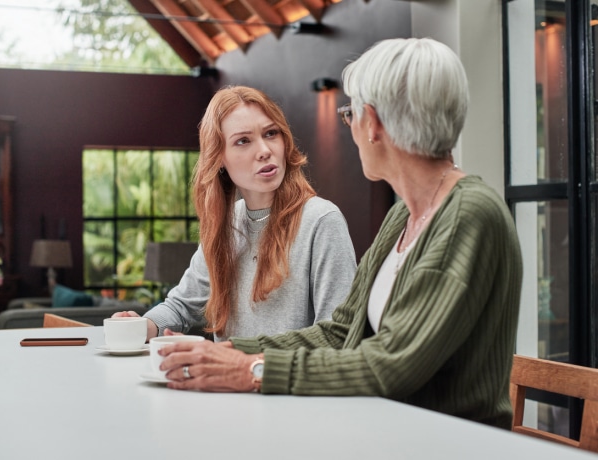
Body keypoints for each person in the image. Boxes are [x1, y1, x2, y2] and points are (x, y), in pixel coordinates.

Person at [156, 38, 523, 429]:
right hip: (389, 431)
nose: (349, 127)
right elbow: (341, 331)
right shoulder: (404, 216)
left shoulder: (468, 216)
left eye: (350, 115)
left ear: (374, 124)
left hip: (441, 443)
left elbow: (391, 364)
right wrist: (233, 353)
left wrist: (253, 370)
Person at [115, 86, 356, 342]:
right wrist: (143, 325)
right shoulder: (227, 224)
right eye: (243, 140)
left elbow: (337, 336)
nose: (264, 150)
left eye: (271, 133)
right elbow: (180, 306)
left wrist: (245, 363)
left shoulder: (321, 220)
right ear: (219, 157)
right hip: (222, 382)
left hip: (282, 381)